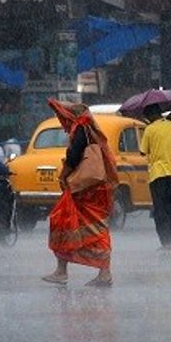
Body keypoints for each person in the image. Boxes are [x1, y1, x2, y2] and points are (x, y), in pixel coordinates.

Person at [42, 99, 117, 287]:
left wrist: (63, 174)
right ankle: (64, 270)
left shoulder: (81, 129)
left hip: (85, 191)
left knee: (76, 225)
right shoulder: (87, 130)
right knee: (70, 224)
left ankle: (99, 272)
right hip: (85, 190)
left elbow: (74, 156)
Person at [139, 104, 171, 250]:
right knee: (170, 207)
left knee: (160, 209)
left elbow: (143, 152)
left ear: (151, 115)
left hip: (158, 174)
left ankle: (165, 242)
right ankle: (170, 241)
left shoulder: (150, 129)